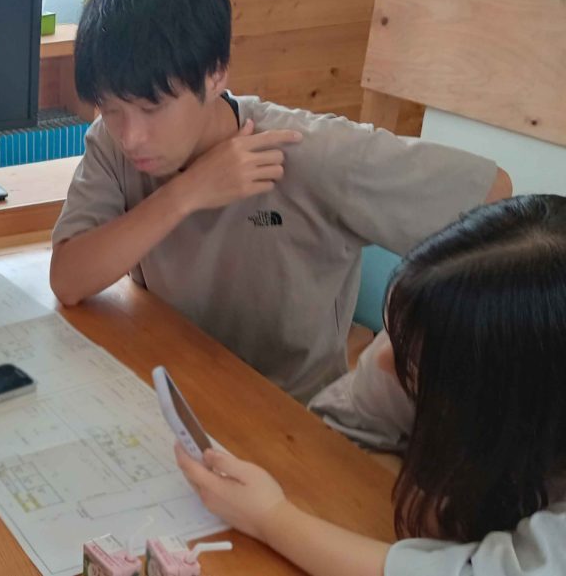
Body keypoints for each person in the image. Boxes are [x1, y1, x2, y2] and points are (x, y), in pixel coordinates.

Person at [49, 0, 512, 402]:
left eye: (152, 108)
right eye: (111, 109)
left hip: (289, 413)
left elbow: (495, 194)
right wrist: (187, 193)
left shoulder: (311, 152)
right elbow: (68, 280)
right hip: (169, 382)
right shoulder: (111, 142)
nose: (131, 136)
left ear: (215, 75)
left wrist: (392, 357)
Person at [176, 195, 566, 575]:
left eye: (413, 363)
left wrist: (271, 519)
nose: (382, 360)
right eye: (391, 334)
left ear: (510, 403)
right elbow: (340, 428)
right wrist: (436, 495)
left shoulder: (454, 353)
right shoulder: (423, 338)